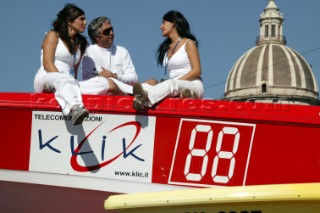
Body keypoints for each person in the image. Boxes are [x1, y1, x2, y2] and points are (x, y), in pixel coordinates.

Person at [34, 4, 107, 125]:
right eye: (81, 19)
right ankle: (76, 108)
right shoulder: (53, 35)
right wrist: (63, 82)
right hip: (47, 77)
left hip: (67, 82)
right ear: (69, 21)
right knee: (64, 79)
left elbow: (75, 72)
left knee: (103, 83)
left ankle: (140, 93)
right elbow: (47, 63)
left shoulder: (81, 44)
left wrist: (72, 85)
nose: (85, 22)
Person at [132, 10, 204, 111]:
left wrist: (177, 82)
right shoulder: (167, 48)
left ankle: (145, 96)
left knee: (171, 84)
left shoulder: (188, 43)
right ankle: (184, 96)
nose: (161, 27)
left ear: (173, 23)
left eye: (164, 23)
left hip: (192, 84)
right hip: (174, 87)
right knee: (150, 83)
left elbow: (197, 71)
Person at [81, 16, 138, 95]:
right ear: (96, 37)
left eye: (112, 29)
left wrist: (115, 76)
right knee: (111, 85)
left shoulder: (122, 51)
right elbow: (102, 80)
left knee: (152, 82)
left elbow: (134, 78)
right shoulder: (88, 53)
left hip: (127, 90)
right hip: (104, 95)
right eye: (107, 31)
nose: (111, 33)